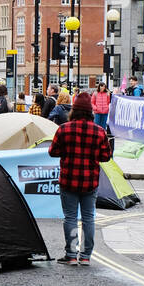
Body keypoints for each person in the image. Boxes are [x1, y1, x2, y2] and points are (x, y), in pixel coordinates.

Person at [49, 91, 113, 266]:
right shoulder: (99, 132)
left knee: (70, 218)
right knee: (88, 218)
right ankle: (85, 256)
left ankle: (70, 255)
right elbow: (106, 156)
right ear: (90, 112)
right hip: (90, 181)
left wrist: (67, 151)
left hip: (68, 180)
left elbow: (53, 151)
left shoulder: (64, 129)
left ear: (74, 110)